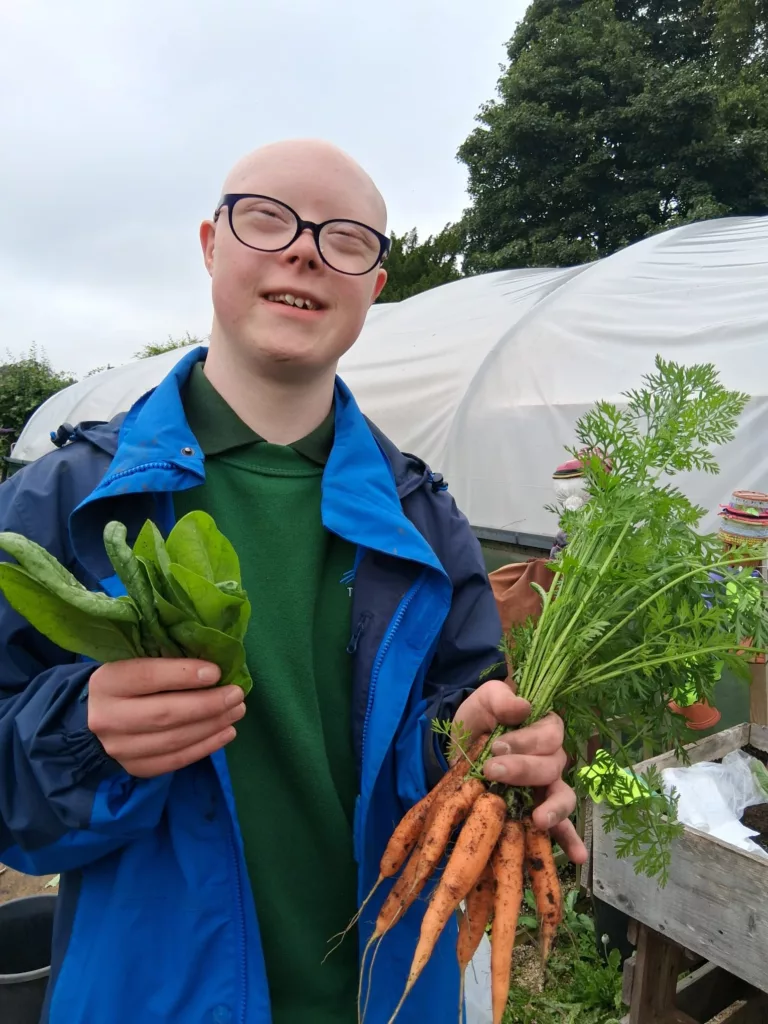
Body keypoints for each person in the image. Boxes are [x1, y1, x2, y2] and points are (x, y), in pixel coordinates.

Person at [0, 140, 585, 1024]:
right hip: (150, 997)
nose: (305, 250)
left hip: (388, 996)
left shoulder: (424, 519)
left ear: (374, 287)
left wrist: (474, 746)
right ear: (210, 245)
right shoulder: (64, 501)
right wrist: (78, 733)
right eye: (267, 220)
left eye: (347, 239)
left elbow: (456, 712)